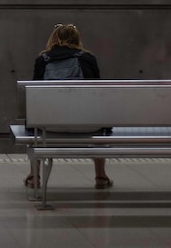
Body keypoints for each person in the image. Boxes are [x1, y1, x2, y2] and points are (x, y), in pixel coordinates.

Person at [24, 23, 113, 190]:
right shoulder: (88, 58)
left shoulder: (42, 60)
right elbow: (98, 93)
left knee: (33, 126)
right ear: (77, 39)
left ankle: (34, 176)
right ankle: (101, 176)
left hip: (49, 125)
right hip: (87, 126)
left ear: (53, 39)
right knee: (99, 120)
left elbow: (34, 97)